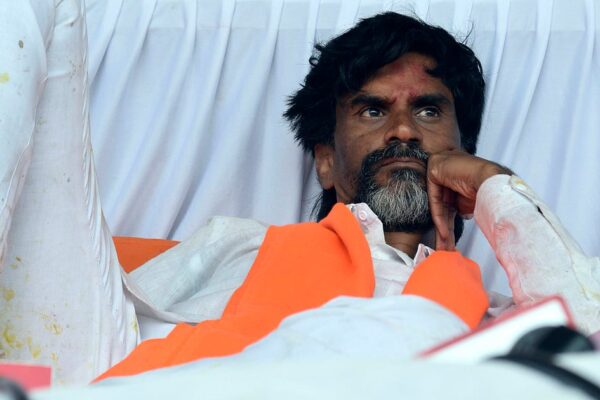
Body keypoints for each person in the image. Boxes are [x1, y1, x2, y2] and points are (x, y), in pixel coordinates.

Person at [1, 1, 599, 386]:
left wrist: (498, 190)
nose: (403, 130)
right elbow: (66, 285)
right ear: (326, 162)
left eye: (428, 110)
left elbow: (591, 340)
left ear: (462, 149)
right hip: (123, 375)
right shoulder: (240, 246)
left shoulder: (505, 313)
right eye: (372, 110)